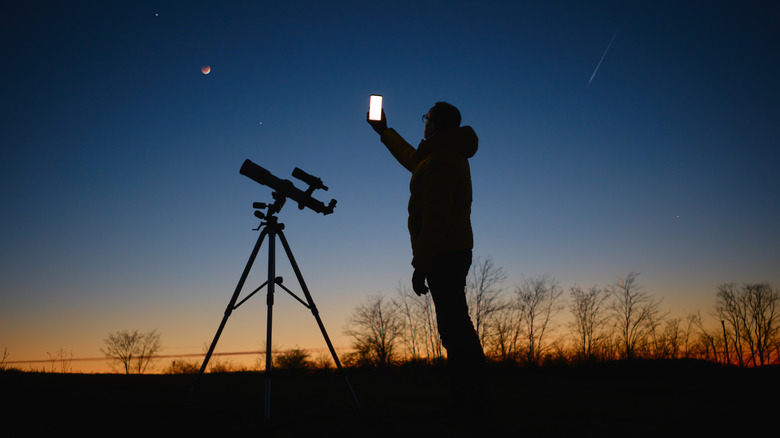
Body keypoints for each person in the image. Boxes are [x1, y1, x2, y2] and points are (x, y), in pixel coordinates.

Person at [367, 101, 490, 416]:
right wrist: (384, 131)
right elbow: (414, 159)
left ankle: (470, 401)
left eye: (426, 119)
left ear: (433, 125)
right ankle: (470, 397)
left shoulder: (442, 160)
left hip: (444, 254)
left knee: (454, 328)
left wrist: (421, 265)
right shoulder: (441, 156)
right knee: (455, 326)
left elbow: (436, 219)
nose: (423, 124)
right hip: (450, 251)